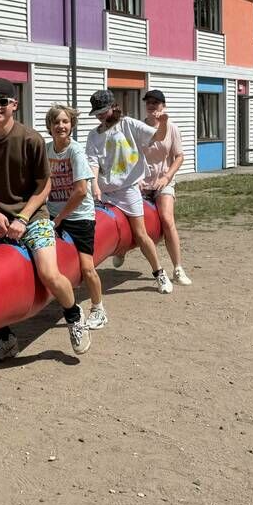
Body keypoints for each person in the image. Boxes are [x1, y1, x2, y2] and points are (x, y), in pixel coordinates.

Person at [0, 78, 91, 365]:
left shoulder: (30, 139)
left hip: (33, 216)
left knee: (49, 273)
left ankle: (73, 316)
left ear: (14, 104)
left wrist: (22, 217)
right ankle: (5, 339)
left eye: (2, 102)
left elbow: (44, 186)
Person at [85, 89, 173, 294]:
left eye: (103, 111)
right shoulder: (93, 135)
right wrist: (95, 185)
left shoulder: (128, 124)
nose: (100, 116)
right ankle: (117, 251)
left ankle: (159, 273)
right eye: (97, 113)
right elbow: (93, 162)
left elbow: (158, 136)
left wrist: (164, 122)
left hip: (128, 189)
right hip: (105, 191)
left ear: (113, 107)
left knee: (140, 234)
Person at [45, 104, 108, 330]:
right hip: (53, 213)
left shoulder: (76, 151)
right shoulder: (46, 150)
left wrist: (59, 218)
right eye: (56, 122)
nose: (61, 126)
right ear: (49, 126)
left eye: (65, 121)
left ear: (72, 125)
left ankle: (98, 309)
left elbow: (81, 191)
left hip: (79, 216)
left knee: (87, 267)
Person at [140, 89, 192, 286]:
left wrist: (167, 176)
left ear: (163, 106)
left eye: (156, 102)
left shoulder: (172, 128)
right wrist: (136, 179)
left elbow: (179, 156)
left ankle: (177, 268)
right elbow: (130, 156)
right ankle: (121, 251)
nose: (152, 105)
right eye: (148, 102)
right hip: (142, 182)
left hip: (164, 181)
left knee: (167, 219)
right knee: (132, 221)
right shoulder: (138, 128)